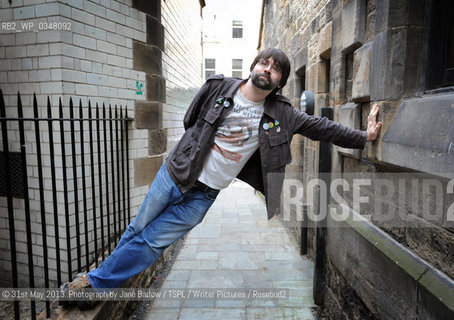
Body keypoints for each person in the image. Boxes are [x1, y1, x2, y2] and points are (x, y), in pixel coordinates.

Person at [61, 47, 382, 305]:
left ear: (279, 82)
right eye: (264, 63)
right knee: (138, 228)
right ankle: (99, 284)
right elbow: (191, 121)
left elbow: (322, 128)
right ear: (254, 65)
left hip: (204, 194)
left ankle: (96, 283)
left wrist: (364, 136)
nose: (267, 69)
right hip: (174, 174)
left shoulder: (283, 113)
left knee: (152, 241)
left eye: (275, 69)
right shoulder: (218, 87)